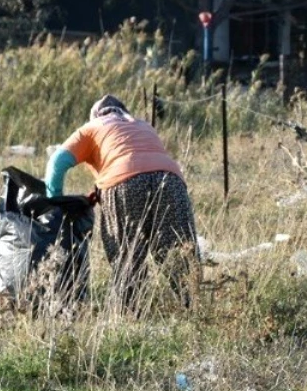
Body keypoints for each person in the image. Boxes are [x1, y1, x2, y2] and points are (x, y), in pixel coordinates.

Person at [45, 94, 198, 313]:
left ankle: (131, 315)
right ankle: (195, 308)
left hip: (124, 183)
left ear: (95, 115)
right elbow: (140, 158)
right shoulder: (143, 125)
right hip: (171, 180)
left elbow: (56, 163)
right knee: (178, 252)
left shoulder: (91, 128)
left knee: (127, 256)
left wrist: (54, 205)